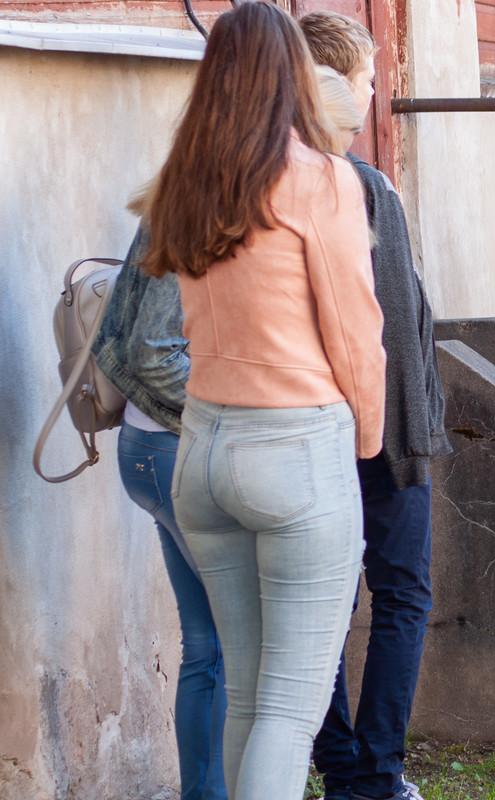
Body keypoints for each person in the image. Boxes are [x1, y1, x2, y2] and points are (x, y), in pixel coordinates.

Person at [143, 4, 384, 798]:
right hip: (294, 441)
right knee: (289, 704)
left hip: (204, 445)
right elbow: (355, 332)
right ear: (292, 74)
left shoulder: (186, 182)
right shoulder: (320, 178)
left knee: (248, 694)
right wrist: (369, 442)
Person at [300, 13, 452, 796]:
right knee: (400, 593)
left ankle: (342, 765)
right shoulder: (359, 186)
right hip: (378, 434)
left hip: (308, 429)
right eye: (367, 76)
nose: (375, 90)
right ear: (340, 84)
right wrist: (411, 441)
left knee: (322, 601)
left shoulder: (280, 180)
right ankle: (373, 771)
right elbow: (392, 318)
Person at [93, 223, 226, 800]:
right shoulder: (197, 210)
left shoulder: (172, 208)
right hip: (176, 450)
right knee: (238, 644)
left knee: (208, 644)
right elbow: (152, 352)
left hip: (155, 451)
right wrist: (238, 412)